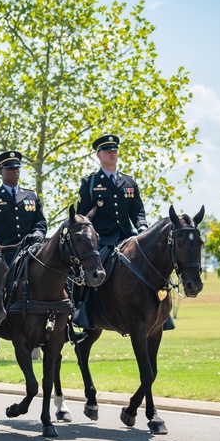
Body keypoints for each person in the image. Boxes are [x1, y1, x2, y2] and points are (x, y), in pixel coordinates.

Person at [71, 133, 155, 338]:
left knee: (153, 262)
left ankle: (160, 313)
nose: (112, 153)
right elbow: (82, 215)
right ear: (98, 155)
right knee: (86, 270)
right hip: (101, 238)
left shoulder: (129, 181)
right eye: (108, 150)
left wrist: (142, 227)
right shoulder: (90, 182)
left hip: (127, 235)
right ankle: (81, 311)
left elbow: (138, 211)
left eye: (115, 150)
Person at [0, 150, 48, 349]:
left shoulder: (31, 196)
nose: (15, 172)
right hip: (4, 256)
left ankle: (67, 324)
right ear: (1, 172)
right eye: (10, 169)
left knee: (59, 274)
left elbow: (41, 223)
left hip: (32, 253)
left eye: (17, 168)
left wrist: (39, 234)